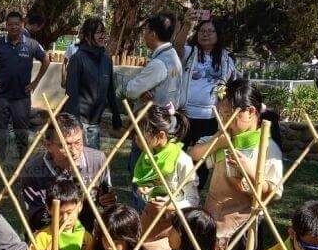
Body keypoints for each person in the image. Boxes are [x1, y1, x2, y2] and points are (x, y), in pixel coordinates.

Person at [189, 78, 284, 250]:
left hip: (244, 228)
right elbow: (195, 154)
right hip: (213, 220)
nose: (225, 121)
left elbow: (271, 195)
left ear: (250, 112)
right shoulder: (224, 138)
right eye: (222, 115)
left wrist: (249, 173)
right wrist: (217, 143)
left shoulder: (267, 148)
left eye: (230, 115)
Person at [132, 105, 199, 250]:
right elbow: (146, 189)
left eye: (140, 134)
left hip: (174, 224)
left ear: (160, 135)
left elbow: (193, 200)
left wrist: (171, 205)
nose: (136, 139)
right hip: (151, 218)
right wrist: (145, 192)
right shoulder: (147, 157)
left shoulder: (181, 160)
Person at [123, 13, 184, 209]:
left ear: (153, 33)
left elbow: (132, 89)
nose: (144, 36)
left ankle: (143, 219)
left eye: (146, 31)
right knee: (160, 176)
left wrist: (126, 87)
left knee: (142, 175)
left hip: (150, 128)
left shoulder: (159, 63)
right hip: (167, 125)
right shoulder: (174, 57)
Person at [18, 112, 114, 231]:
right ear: (48, 145)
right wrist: (66, 211)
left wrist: (107, 199)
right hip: (49, 236)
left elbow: (107, 197)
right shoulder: (33, 170)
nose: (73, 151)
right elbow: (36, 218)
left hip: (87, 234)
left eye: (78, 142)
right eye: (65, 145)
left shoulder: (97, 160)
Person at [0, 11, 51, 163]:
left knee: (22, 133)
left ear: (22, 25)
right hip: (1, 97)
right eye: (10, 25)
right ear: (6, 26)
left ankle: (23, 163)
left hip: (21, 98)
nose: (13, 27)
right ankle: (0, 162)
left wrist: (36, 81)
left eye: (17, 24)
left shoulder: (31, 44)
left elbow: (46, 59)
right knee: (0, 132)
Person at [180, 17, 239, 154]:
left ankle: (199, 176)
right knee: (179, 154)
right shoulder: (189, 52)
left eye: (210, 31)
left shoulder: (226, 58)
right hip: (185, 115)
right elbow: (177, 47)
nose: (205, 34)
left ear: (218, 34)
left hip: (210, 117)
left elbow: (231, 85)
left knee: (203, 156)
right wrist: (186, 25)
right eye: (202, 31)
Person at [63, 16, 123, 147]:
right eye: (98, 32)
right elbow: (71, 94)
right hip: (80, 123)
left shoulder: (106, 61)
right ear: (88, 35)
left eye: (103, 32)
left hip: (95, 124)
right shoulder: (77, 59)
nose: (102, 36)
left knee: (93, 163)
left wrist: (116, 116)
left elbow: (110, 91)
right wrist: (75, 124)